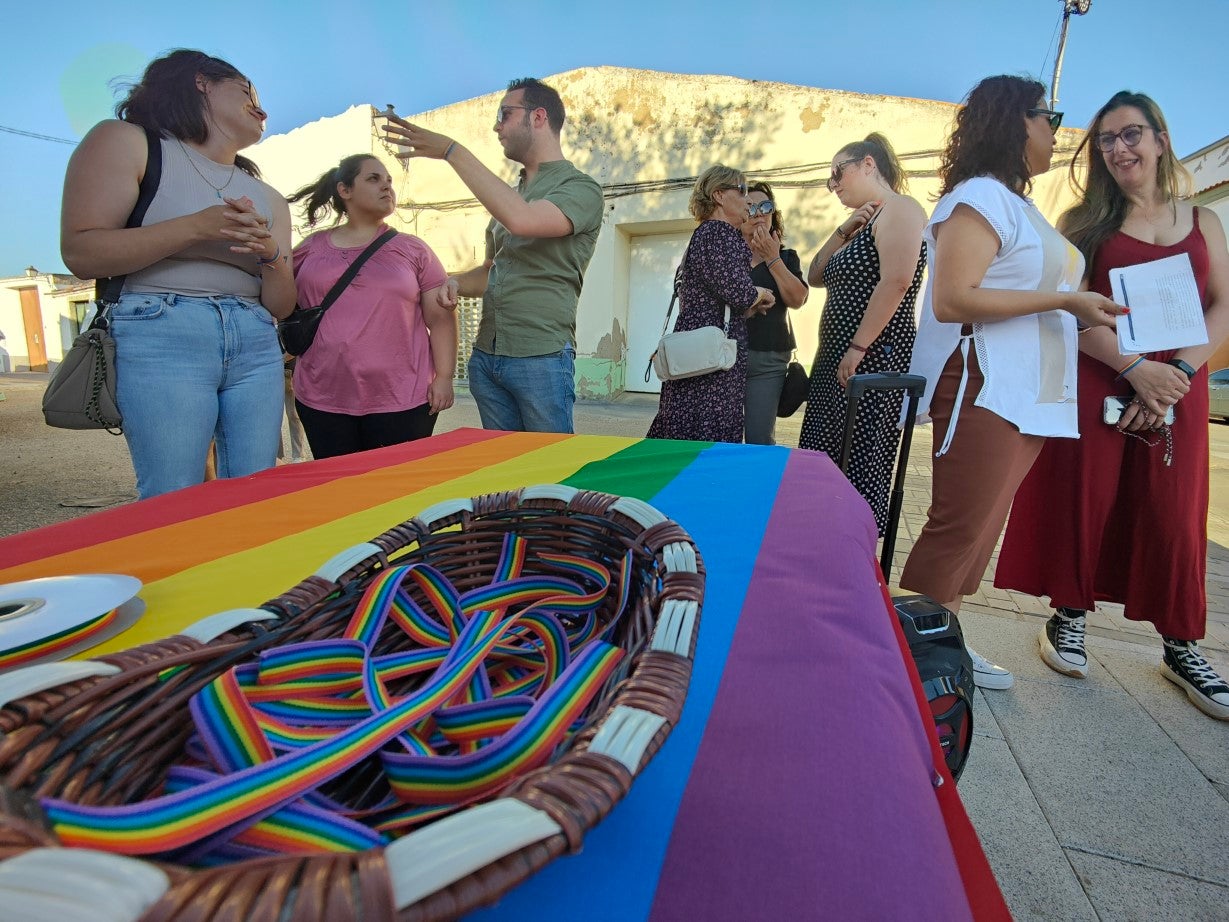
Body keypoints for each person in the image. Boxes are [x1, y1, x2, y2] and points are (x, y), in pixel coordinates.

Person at [996, 92, 1229, 720]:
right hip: (1104, 375)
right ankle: (1066, 618)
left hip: (1179, 385)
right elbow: (1062, 310)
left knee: (1173, 514)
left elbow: (1222, 306)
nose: (1118, 149)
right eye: (1106, 140)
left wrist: (1173, 375)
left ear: (1159, 139)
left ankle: (1181, 646)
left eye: (1131, 135)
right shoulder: (1083, 222)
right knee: (1090, 498)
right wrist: (1133, 369)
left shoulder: (1205, 221)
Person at [896, 75, 1123, 690]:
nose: (1055, 130)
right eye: (1048, 116)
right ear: (1014, 121)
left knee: (979, 533)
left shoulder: (1018, 205)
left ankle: (943, 651)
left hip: (1026, 395)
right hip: (985, 385)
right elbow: (953, 298)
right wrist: (1067, 299)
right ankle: (914, 667)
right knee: (958, 528)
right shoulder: (977, 197)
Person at [60, 49, 294, 500]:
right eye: (246, 91)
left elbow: (281, 305)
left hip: (256, 337)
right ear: (201, 81)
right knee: (174, 494)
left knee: (259, 490)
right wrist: (196, 228)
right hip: (160, 326)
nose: (261, 108)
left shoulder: (269, 196)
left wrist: (271, 257)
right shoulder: (126, 141)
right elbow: (81, 251)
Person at [381, 78, 603, 434]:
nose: (496, 126)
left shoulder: (580, 189)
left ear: (539, 117)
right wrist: (454, 281)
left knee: (549, 473)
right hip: (487, 358)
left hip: (540, 356)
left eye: (505, 114)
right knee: (506, 477)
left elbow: (523, 220)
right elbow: (491, 271)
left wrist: (452, 150)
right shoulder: (512, 195)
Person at [287, 155, 457, 459]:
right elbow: (280, 300)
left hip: (403, 398)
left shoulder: (413, 249)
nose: (386, 187)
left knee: (397, 491)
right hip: (322, 397)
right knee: (338, 491)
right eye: (374, 179)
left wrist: (444, 377)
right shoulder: (310, 248)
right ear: (344, 190)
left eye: (389, 180)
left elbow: (441, 319)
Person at [798, 133, 926, 534]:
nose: (833, 185)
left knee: (859, 463)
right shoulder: (863, 223)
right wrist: (842, 231)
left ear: (868, 164)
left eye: (837, 173)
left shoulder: (901, 209)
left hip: (869, 360)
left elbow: (898, 281)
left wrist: (857, 348)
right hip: (837, 363)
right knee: (824, 461)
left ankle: (850, 558)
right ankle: (822, 545)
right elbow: (815, 275)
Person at [646, 165, 775, 442]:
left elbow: (717, 297)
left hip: (696, 347)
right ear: (718, 195)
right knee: (708, 436)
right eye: (740, 191)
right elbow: (738, 292)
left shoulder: (704, 234)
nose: (748, 201)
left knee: (684, 428)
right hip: (711, 360)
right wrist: (761, 292)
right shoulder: (719, 232)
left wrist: (749, 306)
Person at [742, 181, 809, 445]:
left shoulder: (786, 257)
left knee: (759, 438)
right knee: (724, 437)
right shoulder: (728, 257)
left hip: (769, 360)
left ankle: (759, 486)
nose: (759, 213)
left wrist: (772, 258)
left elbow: (797, 299)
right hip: (725, 358)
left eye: (766, 206)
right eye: (751, 206)